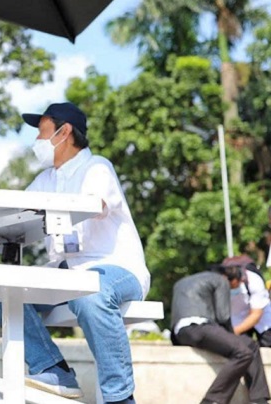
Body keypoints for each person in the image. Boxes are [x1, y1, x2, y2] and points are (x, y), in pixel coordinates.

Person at [18, 103, 150, 404]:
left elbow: (95, 204)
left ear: (64, 132)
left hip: (115, 267)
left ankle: (120, 398)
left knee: (89, 292)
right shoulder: (46, 179)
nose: (36, 141)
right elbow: (15, 212)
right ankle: (52, 368)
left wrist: (47, 209)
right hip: (66, 272)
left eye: (42, 133)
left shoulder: (97, 167)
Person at [171, 267, 270, 404]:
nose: (237, 287)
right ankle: (212, 400)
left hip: (181, 332)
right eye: (238, 283)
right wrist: (231, 336)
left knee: (250, 344)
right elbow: (223, 317)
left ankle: (259, 399)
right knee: (243, 353)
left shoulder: (182, 282)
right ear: (229, 278)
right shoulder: (221, 280)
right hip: (200, 327)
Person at [223, 258, 271, 347]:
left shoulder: (254, 280)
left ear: (240, 279)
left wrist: (235, 331)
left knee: (268, 343)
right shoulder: (218, 283)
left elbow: (256, 315)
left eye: (235, 285)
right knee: (239, 347)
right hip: (238, 318)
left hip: (261, 317)